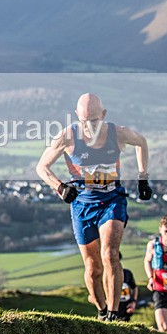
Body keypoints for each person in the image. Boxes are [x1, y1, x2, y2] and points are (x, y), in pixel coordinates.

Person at [36, 93, 152, 321]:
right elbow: (42, 167)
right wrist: (59, 187)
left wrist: (143, 177)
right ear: (77, 116)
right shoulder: (67, 137)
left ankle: (114, 312)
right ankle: (101, 310)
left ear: (104, 115)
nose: (90, 126)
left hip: (112, 200)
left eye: (95, 120)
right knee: (92, 267)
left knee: (109, 254)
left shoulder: (117, 133)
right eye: (85, 121)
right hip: (82, 206)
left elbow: (141, 142)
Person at [118, 251, 138, 321]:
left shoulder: (127, 274)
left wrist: (133, 302)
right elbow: (91, 298)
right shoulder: (104, 276)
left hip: (125, 313)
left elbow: (135, 287)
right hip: (108, 314)